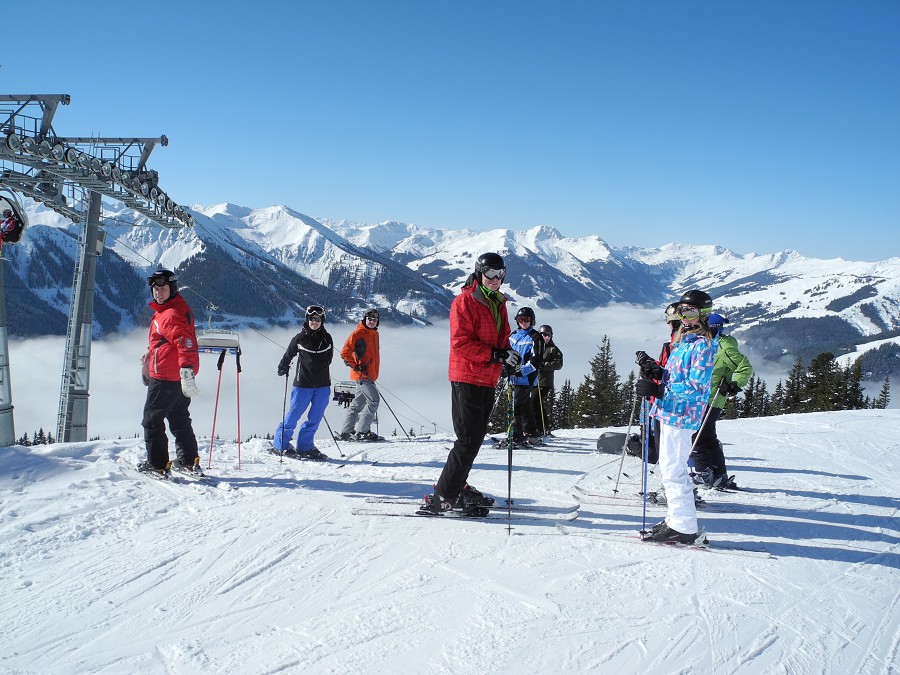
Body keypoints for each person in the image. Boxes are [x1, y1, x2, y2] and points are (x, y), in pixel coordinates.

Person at [425, 252, 520, 515]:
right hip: (467, 376)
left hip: (487, 377)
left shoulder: (498, 301)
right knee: (468, 438)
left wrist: (508, 354)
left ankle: (457, 485)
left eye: (500, 274)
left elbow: (501, 338)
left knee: (475, 438)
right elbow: (460, 342)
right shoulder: (465, 302)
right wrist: (495, 355)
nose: (495, 279)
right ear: (479, 273)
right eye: (490, 273)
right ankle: (444, 495)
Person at [635, 289, 718, 544]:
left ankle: (684, 526)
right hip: (671, 411)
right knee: (670, 468)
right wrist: (656, 372)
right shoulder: (685, 342)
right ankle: (677, 519)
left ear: (703, 314)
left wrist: (660, 390)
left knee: (673, 470)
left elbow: (696, 387)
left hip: (682, 415)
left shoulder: (702, 346)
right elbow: (676, 376)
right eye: (681, 310)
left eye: (690, 311)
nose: (684, 315)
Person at [139, 268, 201, 476]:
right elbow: (169, 343)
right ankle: (189, 461)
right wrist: (151, 357)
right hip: (176, 375)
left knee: (152, 420)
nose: (158, 292)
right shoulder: (172, 309)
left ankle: (157, 466)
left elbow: (186, 343)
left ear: (172, 288)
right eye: (155, 289)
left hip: (166, 377)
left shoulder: (170, 314)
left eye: (163, 288)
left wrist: (186, 368)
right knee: (179, 418)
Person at [690, 313, 753, 489]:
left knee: (697, 435)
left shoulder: (724, 347)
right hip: (705, 398)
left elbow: (745, 366)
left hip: (712, 399)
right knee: (709, 437)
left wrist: (734, 384)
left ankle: (703, 474)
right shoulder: (708, 343)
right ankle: (719, 475)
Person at [272, 304, 333, 460]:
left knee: (315, 418)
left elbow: (329, 359)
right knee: (293, 416)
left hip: (322, 385)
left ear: (322, 320)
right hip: (303, 385)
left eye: (318, 319)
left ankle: (305, 447)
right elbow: (288, 355)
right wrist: (283, 367)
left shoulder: (327, 338)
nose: (315, 322)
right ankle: (281, 445)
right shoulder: (299, 338)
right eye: (312, 318)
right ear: (308, 319)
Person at [338, 308, 383, 441]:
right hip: (362, 375)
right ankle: (363, 432)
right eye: (369, 319)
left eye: (375, 319)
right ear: (364, 319)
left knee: (357, 405)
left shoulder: (374, 333)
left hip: (369, 374)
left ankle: (346, 432)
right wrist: (356, 366)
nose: (372, 321)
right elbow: (344, 353)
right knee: (374, 400)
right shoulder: (358, 333)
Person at [503, 307, 545, 447]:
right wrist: (505, 368)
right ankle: (532, 434)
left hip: (526, 378)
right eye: (521, 319)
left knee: (516, 407)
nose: (524, 322)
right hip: (512, 377)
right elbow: (507, 353)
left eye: (527, 320)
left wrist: (521, 371)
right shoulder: (513, 335)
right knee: (525, 407)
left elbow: (537, 360)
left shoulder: (536, 337)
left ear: (532, 321)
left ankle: (516, 437)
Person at [536, 325, 563, 436]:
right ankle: (538, 428)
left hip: (545, 381)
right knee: (534, 404)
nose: (544, 337)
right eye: (542, 334)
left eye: (546, 335)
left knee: (536, 403)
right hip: (533, 381)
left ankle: (543, 429)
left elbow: (558, 364)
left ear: (550, 336)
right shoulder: (536, 347)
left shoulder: (553, 349)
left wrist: (542, 365)